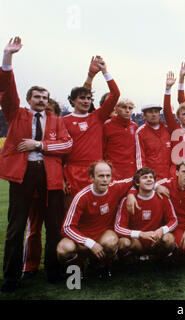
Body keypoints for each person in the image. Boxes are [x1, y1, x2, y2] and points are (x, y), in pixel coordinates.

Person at [0, 37, 73, 292]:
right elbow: (7, 90)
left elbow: (67, 146)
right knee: (16, 226)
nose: (41, 100)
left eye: (45, 97)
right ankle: (12, 277)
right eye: (37, 96)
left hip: (50, 174)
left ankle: (53, 272)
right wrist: (8, 57)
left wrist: (39, 145)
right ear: (29, 99)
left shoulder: (57, 121)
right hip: (22, 173)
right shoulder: (16, 114)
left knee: (55, 225)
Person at [57, 161, 132, 279]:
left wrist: (132, 193)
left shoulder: (116, 187)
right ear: (92, 178)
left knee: (111, 241)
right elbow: (66, 227)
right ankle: (77, 269)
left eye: (108, 176)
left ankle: (104, 266)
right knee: (63, 249)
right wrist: (90, 243)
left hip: (102, 235)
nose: (105, 179)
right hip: (82, 239)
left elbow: (137, 179)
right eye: (101, 176)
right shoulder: (82, 197)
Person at [62, 56, 120, 198]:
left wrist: (105, 71)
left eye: (89, 98)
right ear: (72, 101)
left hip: (96, 171)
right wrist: (61, 178)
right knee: (73, 212)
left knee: (96, 213)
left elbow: (115, 94)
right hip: (72, 172)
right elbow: (59, 155)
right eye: (82, 98)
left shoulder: (97, 117)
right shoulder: (63, 121)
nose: (86, 101)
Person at [22, 98, 63, 278]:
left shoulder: (59, 130)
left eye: (51, 111)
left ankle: (53, 266)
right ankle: (30, 266)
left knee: (56, 228)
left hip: (55, 186)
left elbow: (67, 157)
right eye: (45, 110)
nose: (47, 114)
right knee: (33, 228)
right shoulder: (31, 130)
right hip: (33, 187)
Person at [115, 168, 178, 261]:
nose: (149, 179)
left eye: (151, 177)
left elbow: (174, 220)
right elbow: (118, 227)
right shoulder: (128, 201)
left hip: (156, 240)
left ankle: (163, 260)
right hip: (137, 242)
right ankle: (129, 262)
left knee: (169, 238)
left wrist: (161, 230)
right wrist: (140, 234)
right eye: (144, 177)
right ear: (137, 183)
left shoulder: (162, 197)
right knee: (123, 242)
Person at [103, 99, 138, 180]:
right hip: (113, 169)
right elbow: (102, 148)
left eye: (130, 108)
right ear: (116, 108)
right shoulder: (107, 125)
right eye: (124, 107)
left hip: (131, 170)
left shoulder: (134, 126)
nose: (127, 110)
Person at [135, 104, 172, 179]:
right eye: (150, 112)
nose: (154, 114)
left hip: (169, 177)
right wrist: (145, 177)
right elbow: (140, 158)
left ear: (159, 114)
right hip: (152, 178)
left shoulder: (168, 130)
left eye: (156, 112)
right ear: (144, 115)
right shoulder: (140, 132)